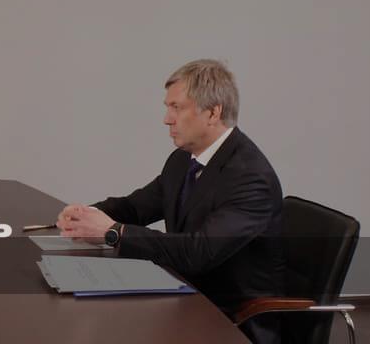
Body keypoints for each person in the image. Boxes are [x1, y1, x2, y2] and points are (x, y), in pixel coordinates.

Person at [56, 59, 285, 344]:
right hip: (186, 295)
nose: (167, 119)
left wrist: (113, 232)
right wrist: (86, 215)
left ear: (213, 112)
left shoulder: (250, 178)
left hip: (231, 320)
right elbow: (136, 207)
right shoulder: (184, 159)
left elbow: (198, 252)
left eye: (176, 107)